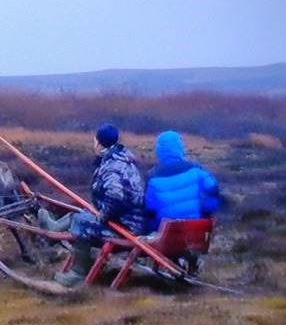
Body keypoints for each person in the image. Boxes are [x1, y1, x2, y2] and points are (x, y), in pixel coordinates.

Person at [45, 123, 147, 287]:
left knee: (81, 222)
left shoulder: (111, 167)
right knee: (84, 213)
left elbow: (116, 196)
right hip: (133, 221)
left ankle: (78, 273)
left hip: (126, 227)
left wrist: (105, 215)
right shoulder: (125, 160)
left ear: (100, 144)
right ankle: (55, 226)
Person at [145, 130, 220, 232]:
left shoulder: (152, 177)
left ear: (159, 150)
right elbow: (213, 190)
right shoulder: (196, 170)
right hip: (196, 228)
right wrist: (207, 213)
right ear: (180, 148)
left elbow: (150, 209)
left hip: (167, 234)